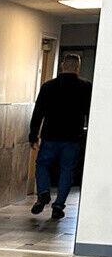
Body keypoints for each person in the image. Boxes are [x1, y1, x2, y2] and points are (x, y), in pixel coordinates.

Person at [29, 53, 92, 220]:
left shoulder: (48, 86)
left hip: (50, 136)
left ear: (62, 65)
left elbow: (38, 112)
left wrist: (33, 135)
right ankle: (58, 206)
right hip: (72, 138)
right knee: (67, 170)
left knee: (42, 165)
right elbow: (90, 112)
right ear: (78, 67)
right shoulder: (86, 87)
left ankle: (43, 192)